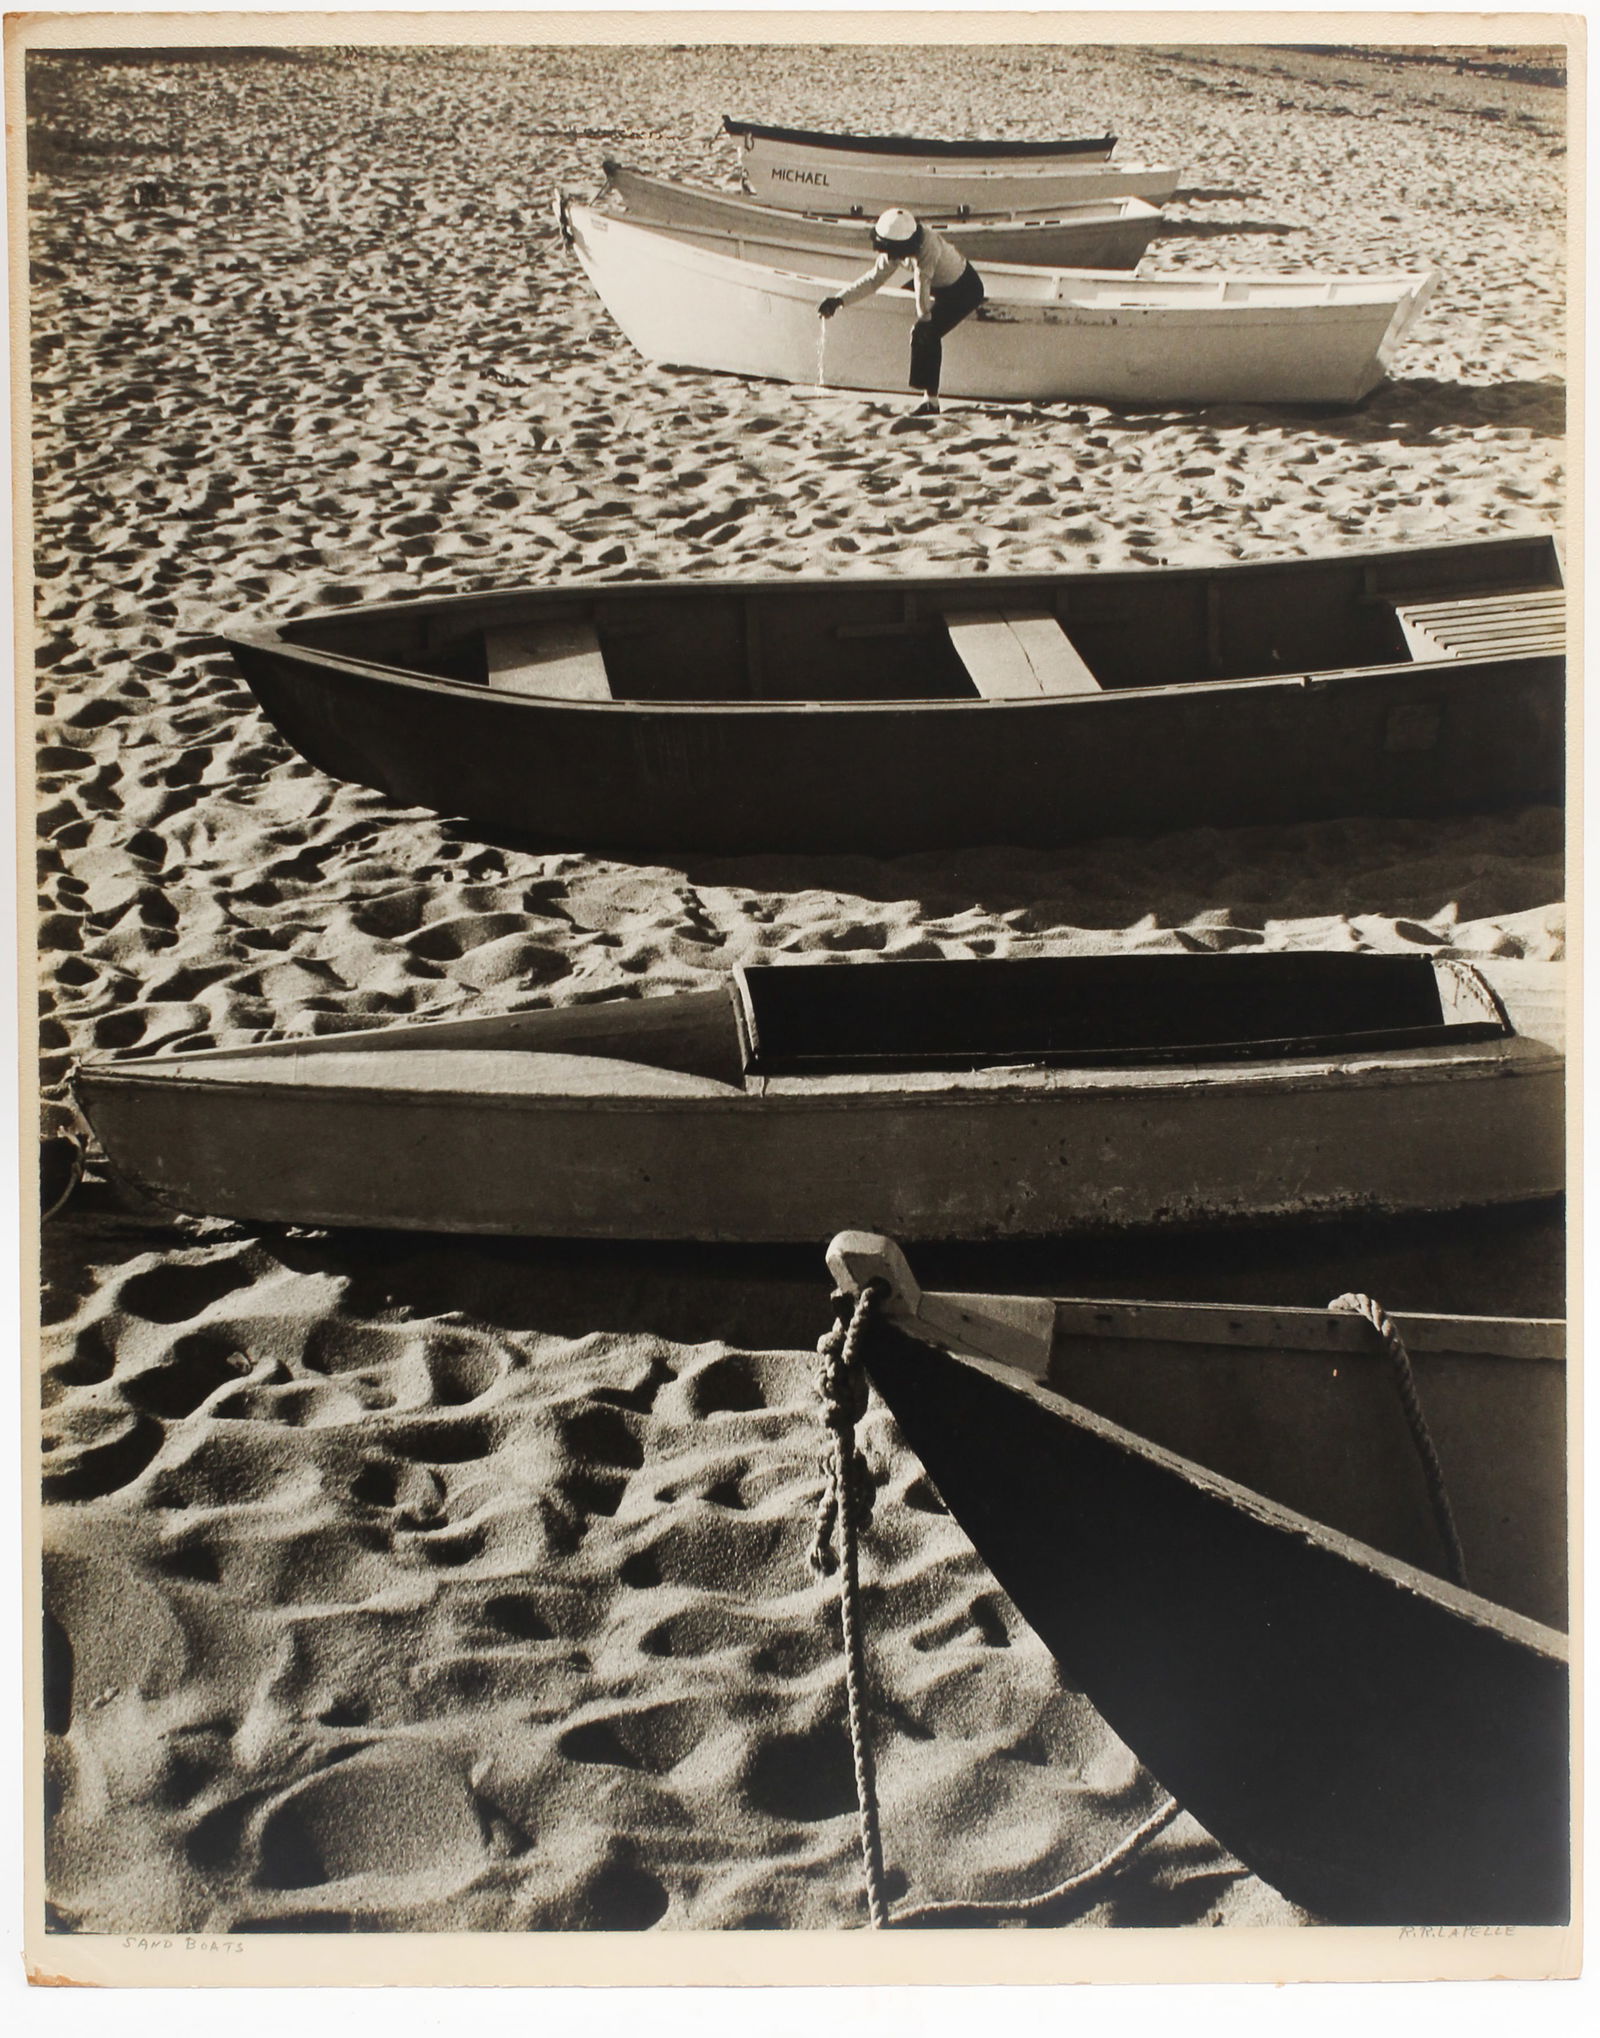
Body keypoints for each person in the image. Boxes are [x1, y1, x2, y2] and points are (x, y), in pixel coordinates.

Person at [818, 208, 985, 415]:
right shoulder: (896, 246)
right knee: (913, 308)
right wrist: (839, 299)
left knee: (927, 332)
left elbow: (922, 282)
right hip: (938, 283)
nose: (890, 256)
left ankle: (930, 402)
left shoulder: (928, 246)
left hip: (964, 289)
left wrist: (924, 322)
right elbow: (873, 280)